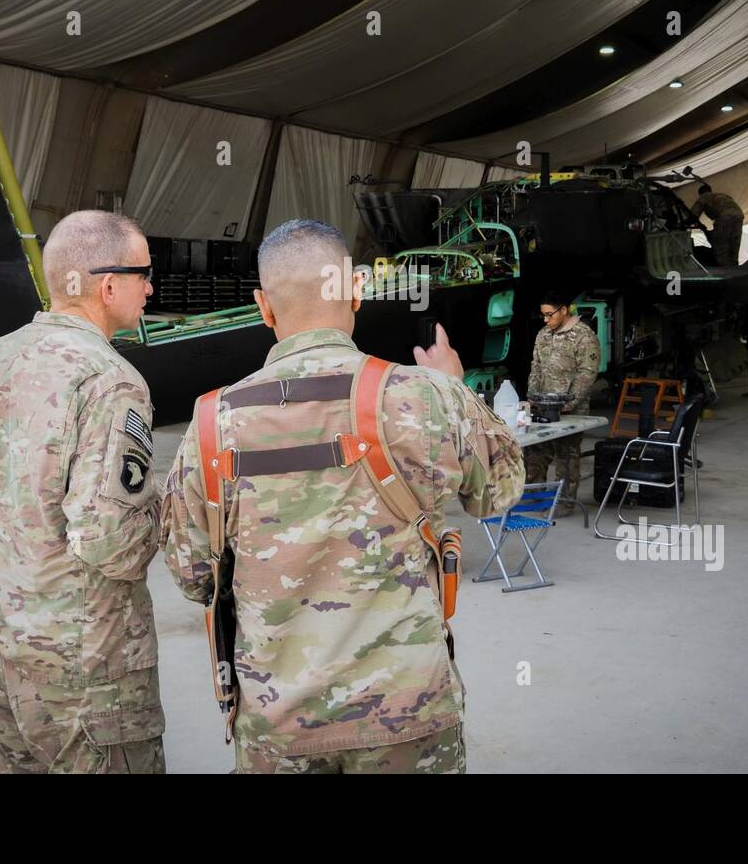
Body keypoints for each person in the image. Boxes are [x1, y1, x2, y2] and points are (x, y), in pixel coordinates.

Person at [161, 219, 524, 774]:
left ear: (263, 305)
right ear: (356, 289)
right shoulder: (421, 396)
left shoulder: (212, 424)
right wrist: (454, 386)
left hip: (278, 728)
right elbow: (500, 490)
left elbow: (192, 577)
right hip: (407, 718)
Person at [0, 211, 166, 774]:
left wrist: (7, 534)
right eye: (144, 273)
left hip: (3, 643)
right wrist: (168, 520)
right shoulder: (110, 381)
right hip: (86, 661)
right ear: (108, 285)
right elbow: (109, 540)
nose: (151, 286)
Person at [524, 290, 599, 513]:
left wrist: (568, 403)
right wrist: (532, 395)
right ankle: (536, 495)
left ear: (564, 310)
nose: (546, 320)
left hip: (570, 409)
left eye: (550, 315)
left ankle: (564, 502)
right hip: (543, 406)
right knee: (535, 450)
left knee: (566, 455)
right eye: (543, 316)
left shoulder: (584, 335)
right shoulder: (543, 335)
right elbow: (536, 367)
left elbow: (588, 373)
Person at [689, 183, 745, 267]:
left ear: (700, 193)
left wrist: (686, 222)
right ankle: (734, 266)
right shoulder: (723, 196)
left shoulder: (704, 197)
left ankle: (724, 267)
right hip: (739, 215)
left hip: (725, 217)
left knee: (721, 246)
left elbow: (693, 215)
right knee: (734, 243)